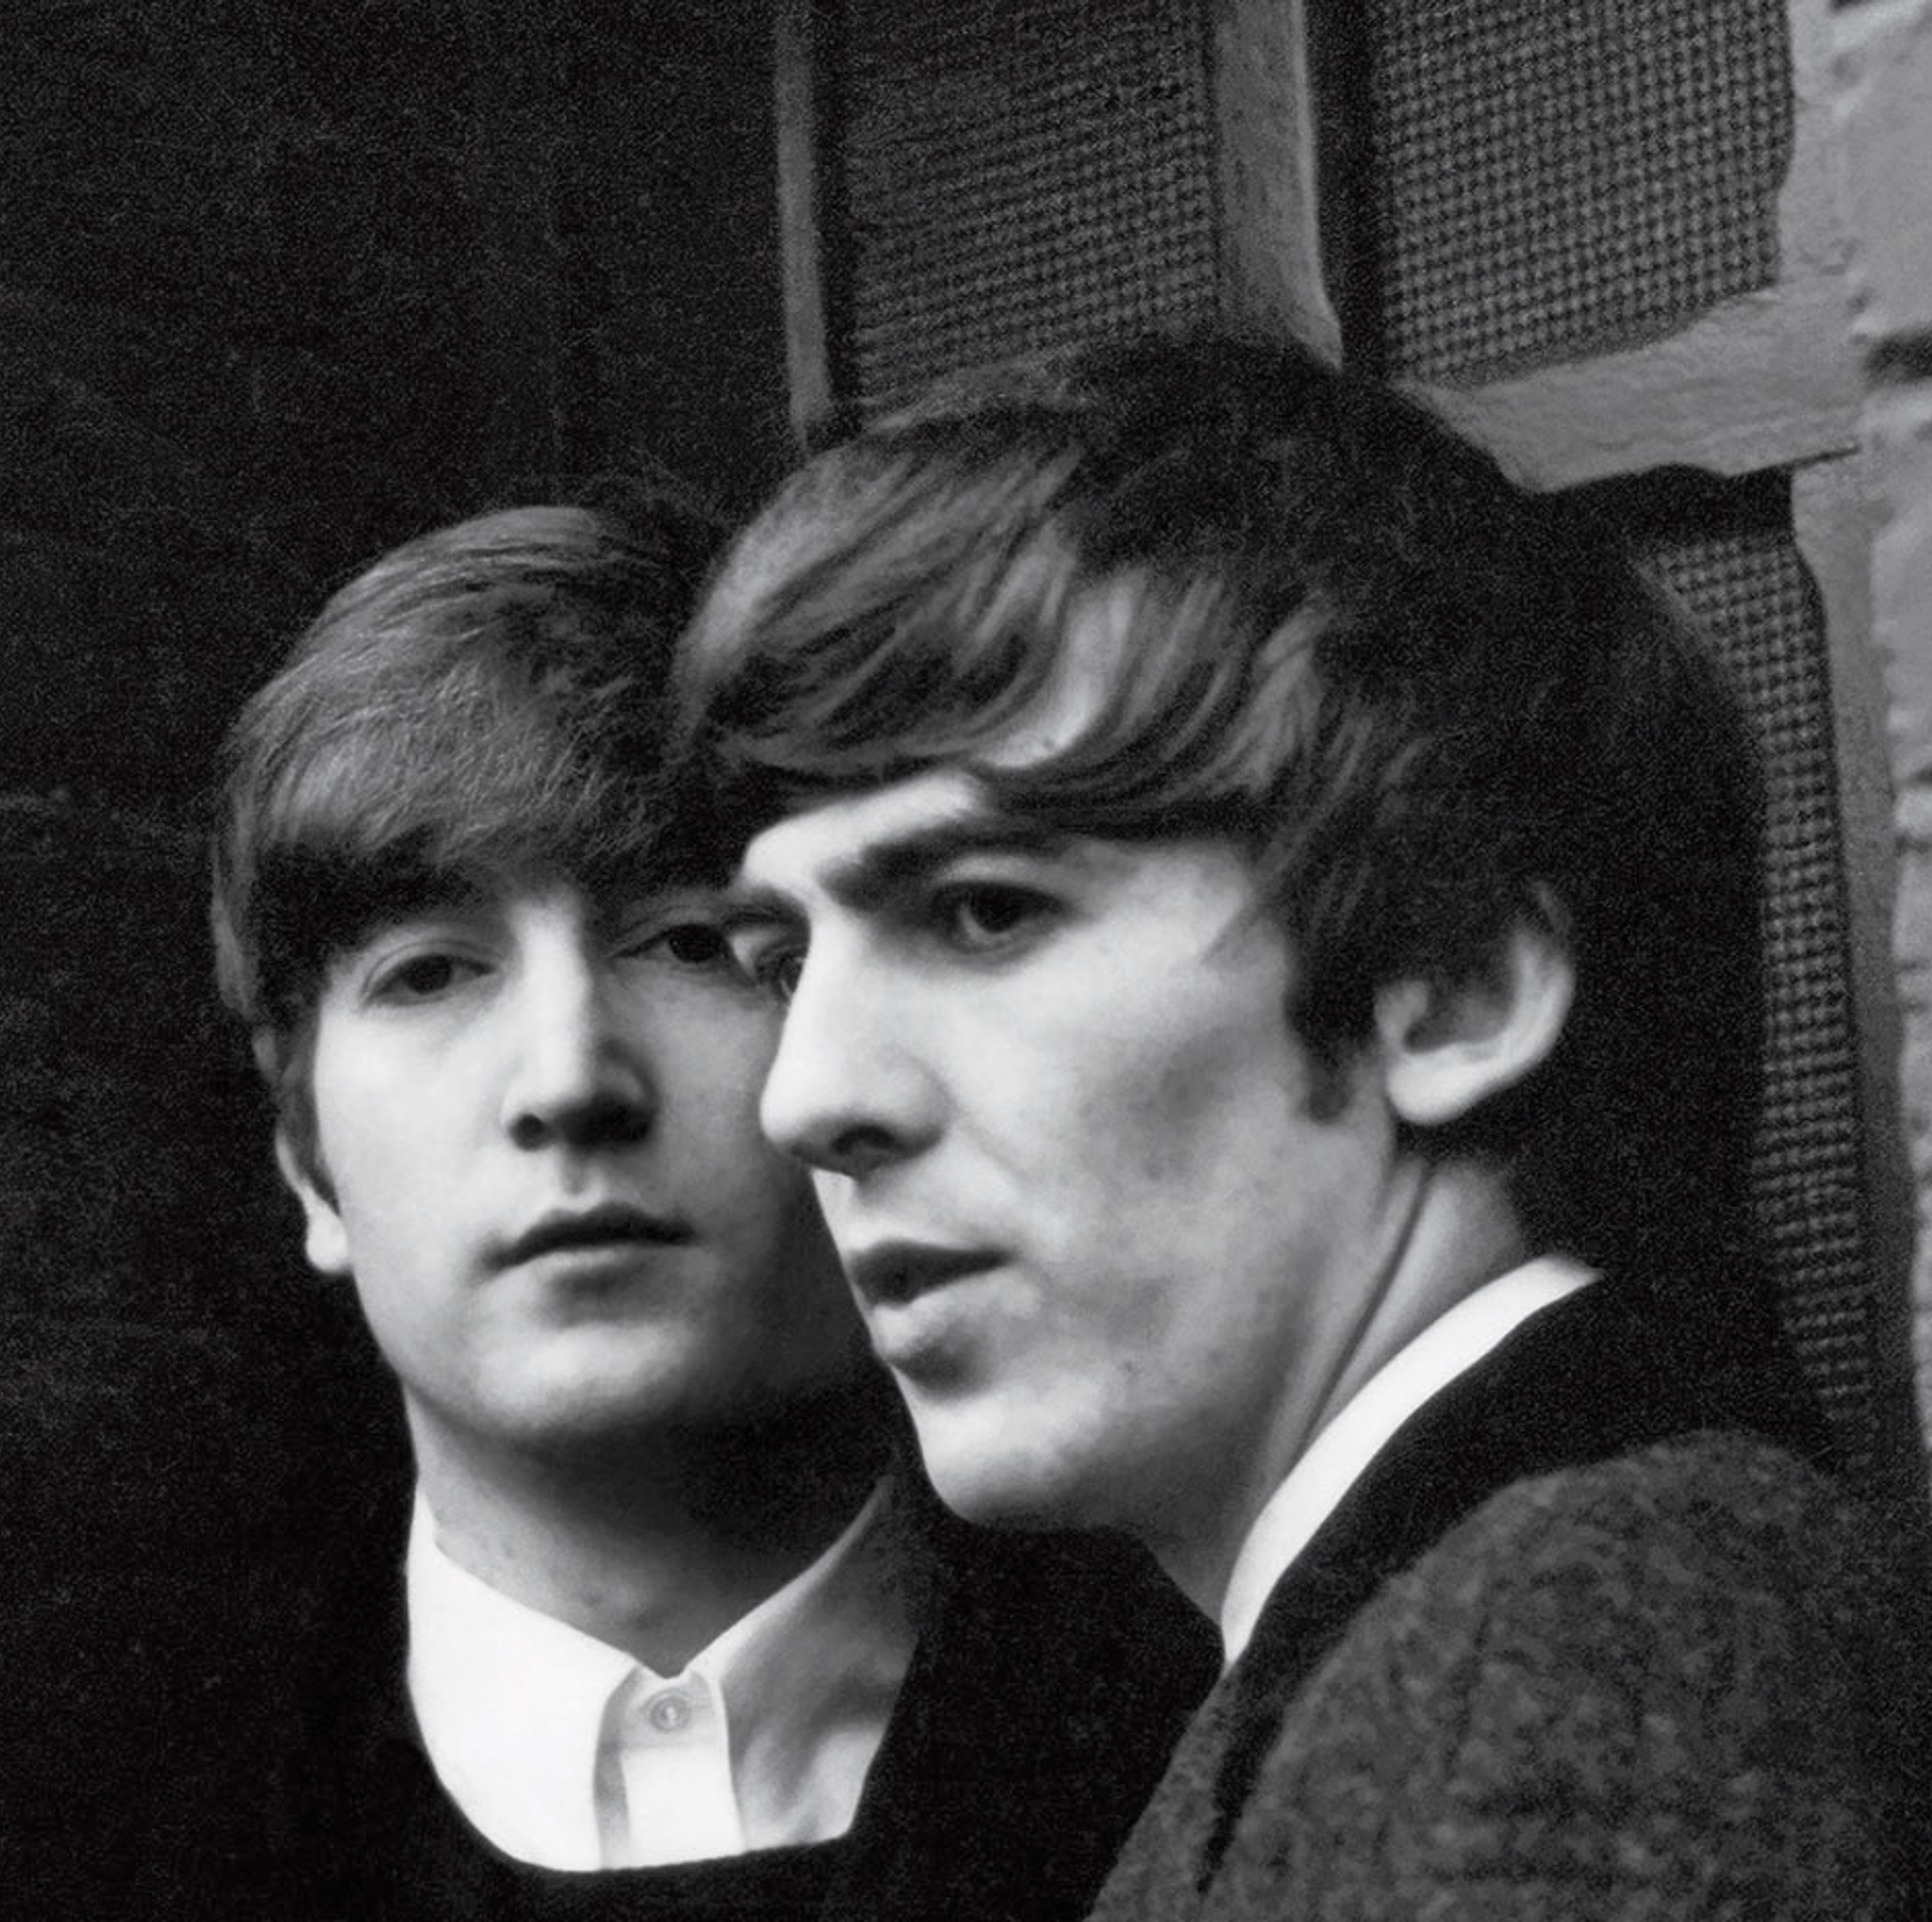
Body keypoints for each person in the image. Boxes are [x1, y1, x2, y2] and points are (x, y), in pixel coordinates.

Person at [678, 333, 1932, 1918]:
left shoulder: (1580, 1642)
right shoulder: (1419, 1638)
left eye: (985, 913)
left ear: (1458, 987)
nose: (806, 1096)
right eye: (783, 961)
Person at [130, 501, 1208, 1919]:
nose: (570, 1078)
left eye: (692, 942)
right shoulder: (141, 1845)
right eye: (431, 971)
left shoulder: (1223, 1728)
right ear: (304, 1156)